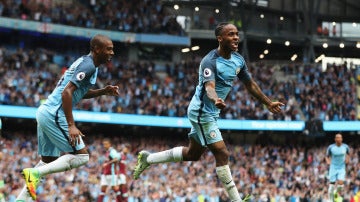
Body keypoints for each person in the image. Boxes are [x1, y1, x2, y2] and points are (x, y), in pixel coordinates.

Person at [133, 22, 284, 202]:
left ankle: (148, 159)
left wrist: (267, 103)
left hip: (212, 112)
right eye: (230, 34)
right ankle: (237, 200)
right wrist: (215, 99)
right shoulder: (210, 61)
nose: (236, 37)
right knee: (222, 153)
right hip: (202, 111)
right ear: (220, 38)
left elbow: (250, 84)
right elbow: (209, 86)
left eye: (236, 34)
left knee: (192, 154)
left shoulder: (238, 60)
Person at [16, 34, 119, 201]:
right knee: (82, 157)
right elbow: (67, 92)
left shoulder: (88, 64)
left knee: (48, 161)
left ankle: (20, 199)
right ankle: (34, 173)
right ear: (97, 49)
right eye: (109, 49)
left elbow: (78, 91)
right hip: (54, 114)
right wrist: (71, 125)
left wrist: (103, 91)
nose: (112, 52)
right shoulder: (88, 65)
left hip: (45, 112)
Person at [326, 133, 350, 201]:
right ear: (335, 139)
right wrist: (328, 161)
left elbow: (348, 154)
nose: (339, 139)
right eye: (337, 138)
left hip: (341, 167)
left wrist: (347, 159)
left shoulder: (345, 147)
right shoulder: (331, 147)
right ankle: (331, 200)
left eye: (340, 138)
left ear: (342, 139)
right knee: (331, 186)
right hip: (333, 167)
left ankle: (336, 192)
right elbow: (327, 156)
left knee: (340, 185)